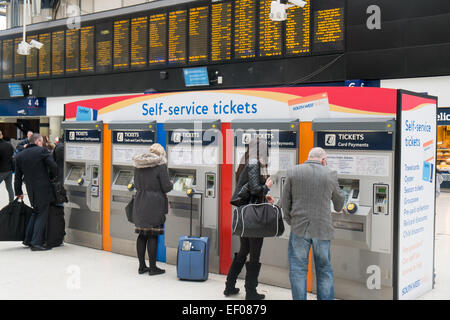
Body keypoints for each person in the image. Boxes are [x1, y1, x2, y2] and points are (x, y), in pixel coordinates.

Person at [282, 147, 345, 300]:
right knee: (324, 269)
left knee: (298, 269)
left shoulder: (293, 171)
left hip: (298, 228)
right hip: (322, 229)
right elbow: (339, 202)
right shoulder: (330, 174)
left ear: (308, 157)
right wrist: (338, 203)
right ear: (324, 160)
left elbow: (285, 201)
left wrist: (291, 220)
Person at [224, 138, 273, 300]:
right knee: (255, 253)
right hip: (253, 216)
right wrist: (267, 187)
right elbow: (255, 188)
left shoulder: (246, 161)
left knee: (244, 250)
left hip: (246, 213)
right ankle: (251, 291)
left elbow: (250, 188)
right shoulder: (254, 163)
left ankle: (229, 286)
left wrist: (265, 197)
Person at [132, 143, 173, 275]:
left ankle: (141, 266)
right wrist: (171, 183)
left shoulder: (138, 165)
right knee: (153, 235)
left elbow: (135, 184)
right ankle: (153, 268)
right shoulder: (160, 165)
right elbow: (166, 187)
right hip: (155, 203)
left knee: (142, 235)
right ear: (161, 154)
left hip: (140, 201)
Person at [14, 133, 58, 251]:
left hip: (31, 190)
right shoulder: (42, 151)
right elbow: (53, 166)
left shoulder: (20, 156)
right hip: (43, 188)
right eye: (41, 142)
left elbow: (17, 177)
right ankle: (36, 243)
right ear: (38, 141)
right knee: (42, 214)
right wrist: (53, 177)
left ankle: (28, 239)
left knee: (36, 212)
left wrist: (18, 191)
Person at [0, 130, 15, 203]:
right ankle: (11, 203)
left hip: (1, 171)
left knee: (9, 187)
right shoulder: (9, 145)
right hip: (9, 170)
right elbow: (13, 155)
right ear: (1, 136)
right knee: (9, 187)